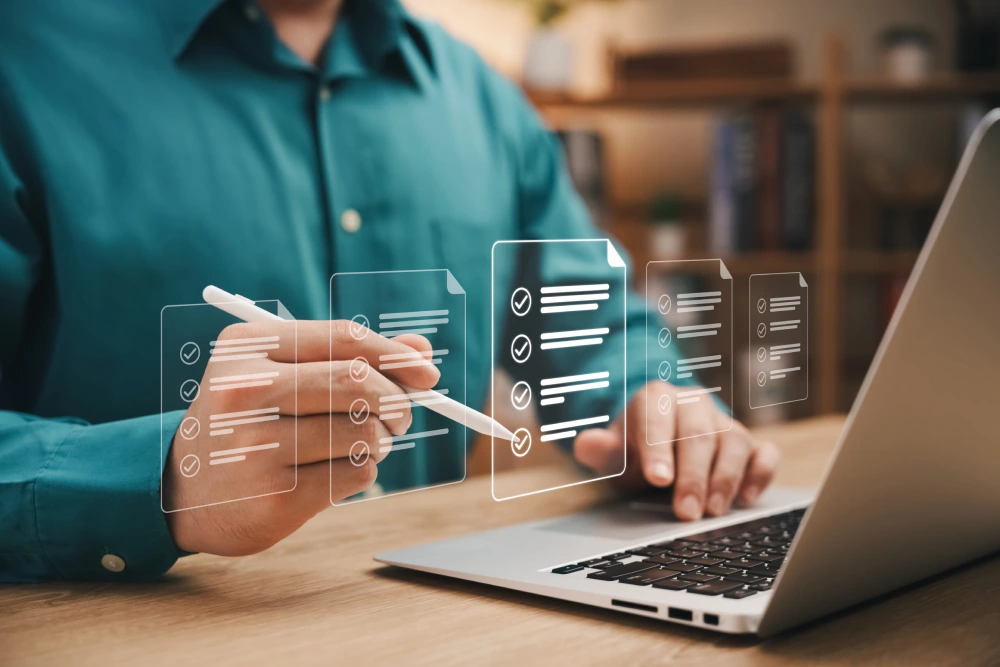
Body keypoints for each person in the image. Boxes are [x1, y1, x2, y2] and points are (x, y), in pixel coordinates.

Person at [0, 0, 780, 582]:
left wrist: (654, 401)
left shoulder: (482, 99)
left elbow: (597, 326)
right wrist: (161, 477)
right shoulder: (23, 63)